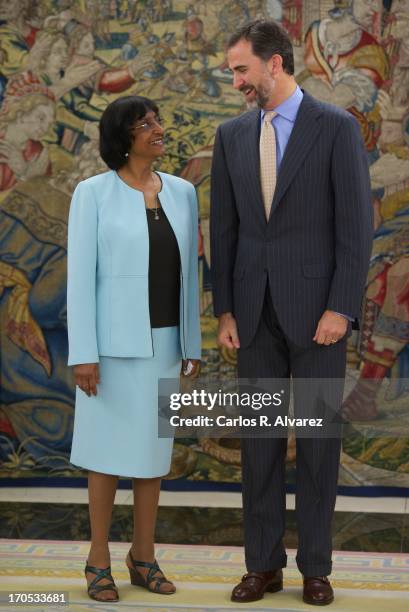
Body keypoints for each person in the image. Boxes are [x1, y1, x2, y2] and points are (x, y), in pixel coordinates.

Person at [210, 20, 373, 606]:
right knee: (258, 445)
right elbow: (222, 231)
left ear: (274, 64)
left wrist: (341, 307)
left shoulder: (335, 128)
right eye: (233, 71)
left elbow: (356, 229)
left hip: (319, 318)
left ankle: (316, 569)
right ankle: (263, 566)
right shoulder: (230, 136)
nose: (235, 81)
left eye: (241, 70)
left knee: (319, 444)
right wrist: (224, 309)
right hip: (251, 314)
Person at [67, 95, 201, 602]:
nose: (157, 129)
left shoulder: (184, 193)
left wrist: (191, 340)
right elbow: (80, 280)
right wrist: (85, 353)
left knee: (152, 458)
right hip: (109, 351)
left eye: (157, 121)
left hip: (165, 345)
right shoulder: (92, 193)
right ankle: (97, 557)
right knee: (104, 458)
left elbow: (190, 273)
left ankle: (142, 556)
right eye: (145, 124)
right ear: (124, 138)